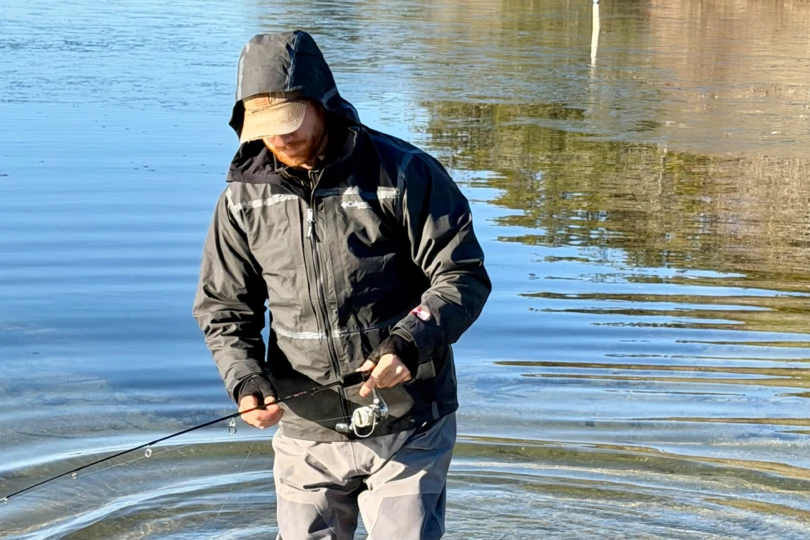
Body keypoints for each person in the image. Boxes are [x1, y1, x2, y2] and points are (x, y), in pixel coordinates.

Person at [193, 30, 491, 540]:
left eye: (289, 123)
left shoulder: (404, 173)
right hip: (304, 426)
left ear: (321, 102)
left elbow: (460, 276)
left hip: (409, 418)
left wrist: (409, 343)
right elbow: (224, 307)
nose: (279, 139)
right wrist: (246, 381)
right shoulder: (241, 200)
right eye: (264, 128)